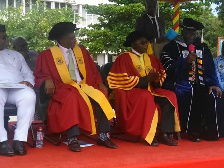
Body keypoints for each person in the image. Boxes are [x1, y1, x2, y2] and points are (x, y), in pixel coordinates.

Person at [34, 22, 117, 152]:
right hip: (63, 87)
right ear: (62, 40)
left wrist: (100, 82)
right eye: (72, 38)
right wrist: (47, 80)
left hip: (84, 86)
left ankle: (103, 135)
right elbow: (40, 74)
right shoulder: (47, 55)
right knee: (71, 96)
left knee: (100, 95)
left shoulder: (82, 51)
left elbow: (93, 71)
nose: (75, 40)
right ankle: (72, 137)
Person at [107, 31, 180, 146]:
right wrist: (146, 79)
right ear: (133, 44)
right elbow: (120, 80)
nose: (146, 44)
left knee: (169, 96)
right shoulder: (124, 58)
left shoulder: (152, 58)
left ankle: (164, 134)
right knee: (146, 96)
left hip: (151, 89)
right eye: (142, 42)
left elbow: (161, 74)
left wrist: (156, 80)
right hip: (131, 91)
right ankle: (149, 135)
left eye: (146, 42)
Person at [160, 18, 221, 142]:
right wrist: (184, 62)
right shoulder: (171, 47)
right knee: (189, 92)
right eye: (188, 32)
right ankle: (191, 130)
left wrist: (213, 84)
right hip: (179, 83)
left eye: (194, 32)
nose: (191, 35)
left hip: (202, 84)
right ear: (183, 31)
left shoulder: (203, 48)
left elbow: (210, 68)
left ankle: (210, 131)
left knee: (213, 95)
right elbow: (166, 68)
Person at [0, 24, 36, 156]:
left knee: (29, 95)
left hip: (17, 87)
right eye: (0, 38)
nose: (4, 41)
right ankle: (2, 141)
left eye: (5, 37)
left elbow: (27, 73)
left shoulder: (16, 55)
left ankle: (19, 139)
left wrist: (29, 82)